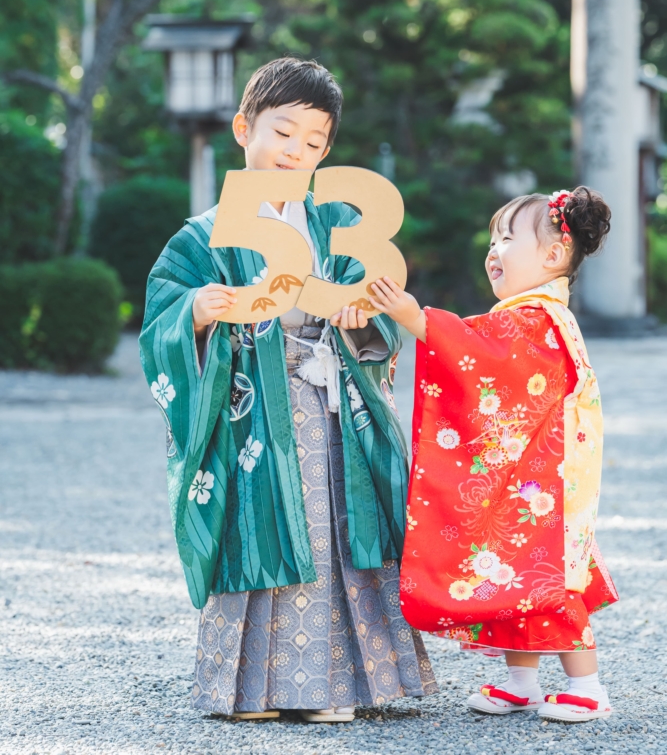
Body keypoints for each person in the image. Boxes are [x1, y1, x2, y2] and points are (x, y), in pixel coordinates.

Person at [139, 57, 436, 723]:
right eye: (283, 133)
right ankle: (249, 691)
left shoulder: (335, 225)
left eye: (313, 143)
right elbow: (162, 311)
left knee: (333, 533)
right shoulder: (202, 233)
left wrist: (364, 316)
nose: (294, 152)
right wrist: (196, 313)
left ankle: (339, 688)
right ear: (244, 128)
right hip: (253, 413)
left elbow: (375, 308)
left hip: (329, 403)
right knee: (257, 526)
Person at [367, 187, 618, 723]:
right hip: (536, 473)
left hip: (546, 481)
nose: (493, 248)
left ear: (552, 255)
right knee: (511, 568)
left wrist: (417, 318)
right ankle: (520, 680)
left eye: (507, 237)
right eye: (492, 237)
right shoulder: (534, 315)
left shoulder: (538, 317)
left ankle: (589, 686)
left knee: (551, 576)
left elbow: (484, 355)